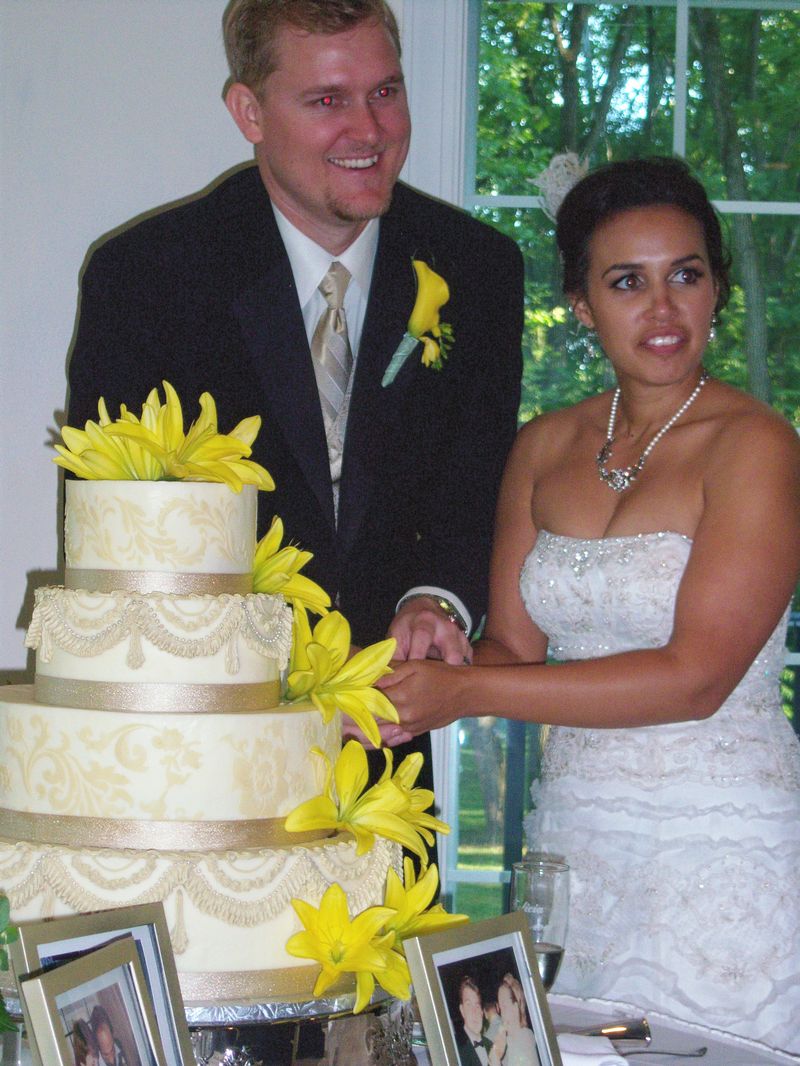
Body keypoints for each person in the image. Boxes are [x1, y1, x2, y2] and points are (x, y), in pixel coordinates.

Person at [379, 157, 800, 1051]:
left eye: (686, 275)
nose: (663, 309)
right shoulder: (544, 446)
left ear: (717, 289)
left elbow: (695, 679)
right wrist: (439, 648)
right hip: (577, 841)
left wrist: (469, 692)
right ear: (580, 303)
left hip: (724, 845)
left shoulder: (757, 445)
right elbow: (513, 652)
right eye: (627, 282)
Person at [65, 0, 523, 799]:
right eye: (327, 100)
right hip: (192, 742)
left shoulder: (476, 269)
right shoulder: (146, 276)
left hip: (383, 748)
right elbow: (113, 527)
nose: (370, 130)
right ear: (250, 111)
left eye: (385, 92)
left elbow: (478, 482)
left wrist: (437, 599)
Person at [488, 973, 538, 1066]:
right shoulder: (510, 1040)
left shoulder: (524, 1038)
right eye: (501, 1008)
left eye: (504, 1006)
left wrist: (496, 1058)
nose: (502, 1014)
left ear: (516, 1007)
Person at [454, 976, 493, 1066]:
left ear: (482, 1012)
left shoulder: (490, 1045)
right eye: (469, 1005)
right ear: (462, 1010)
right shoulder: (454, 1048)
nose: (474, 1012)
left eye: (477, 1005)